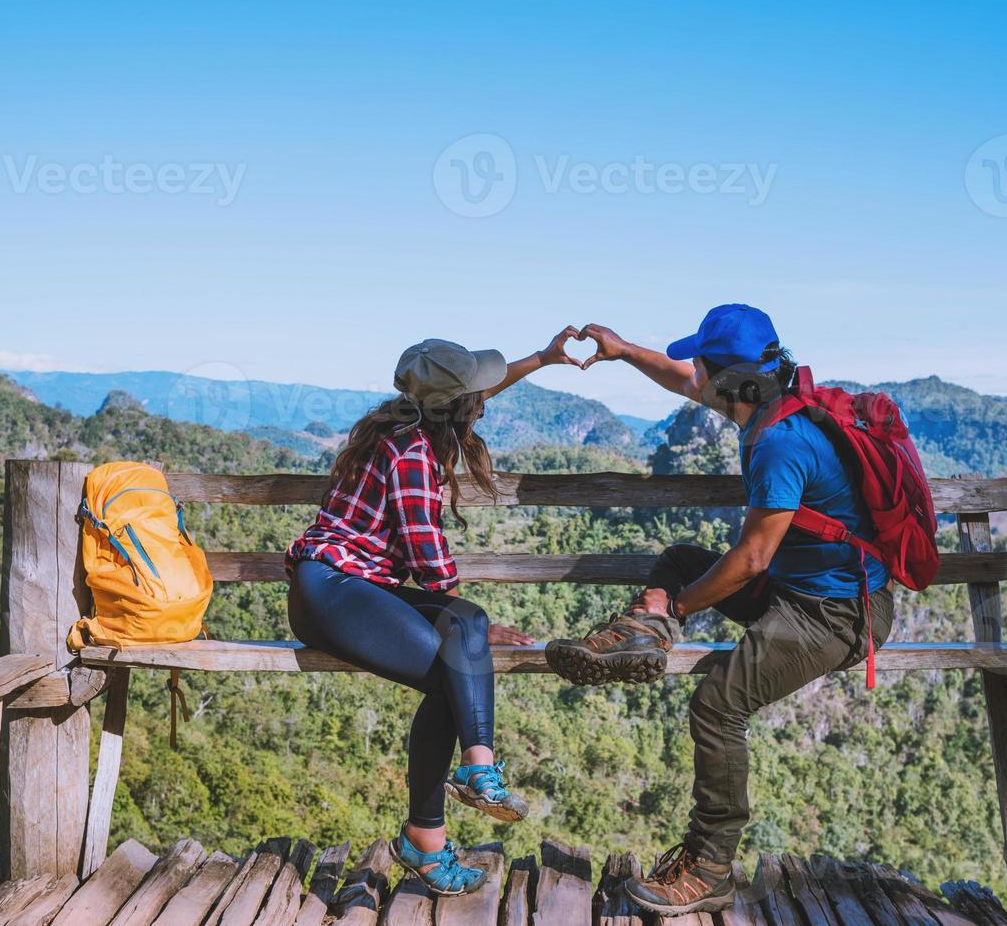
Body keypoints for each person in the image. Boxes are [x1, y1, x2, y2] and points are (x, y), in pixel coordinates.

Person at [545, 305, 894, 916]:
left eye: (700, 362)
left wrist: (679, 604)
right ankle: (646, 634)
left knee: (717, 702)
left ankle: (710, 866)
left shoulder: (782, 441)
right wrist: (623, 350)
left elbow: (754, 557)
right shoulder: (764, 400)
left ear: (724, 371)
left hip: (838, 613)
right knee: (682, 555)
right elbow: (680, 379)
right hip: (800, 591)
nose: (692, 372)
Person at [287, 330, 582, 896]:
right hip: (331, 591)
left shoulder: (403, 420)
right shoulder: (412, 452)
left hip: (352, 586)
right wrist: (460, 621)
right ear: (462, 407)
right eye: (477, 395)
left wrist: (543, 359)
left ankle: (473, 772)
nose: (485, 400)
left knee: (467, 625)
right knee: (459, 665)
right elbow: (430, 562)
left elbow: (478, 387)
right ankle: (433, 833)